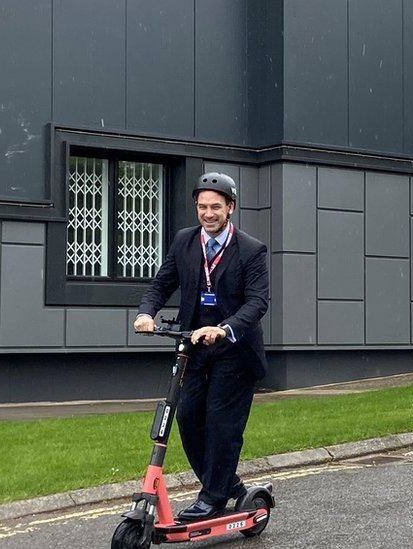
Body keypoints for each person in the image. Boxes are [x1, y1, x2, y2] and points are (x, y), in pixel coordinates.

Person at [134, 172, 270, 521]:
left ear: (231, 208)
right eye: (202, 207)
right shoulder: (184, 241)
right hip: (194, 348)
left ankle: (212, 497)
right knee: (189, 418)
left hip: (235, 353)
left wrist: (224, 329)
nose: (208, 214)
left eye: (215, 207)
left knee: (222, 424)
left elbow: (257, 303)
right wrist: (146, 313)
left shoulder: (251, 250)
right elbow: (162, 283)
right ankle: (227, 486)